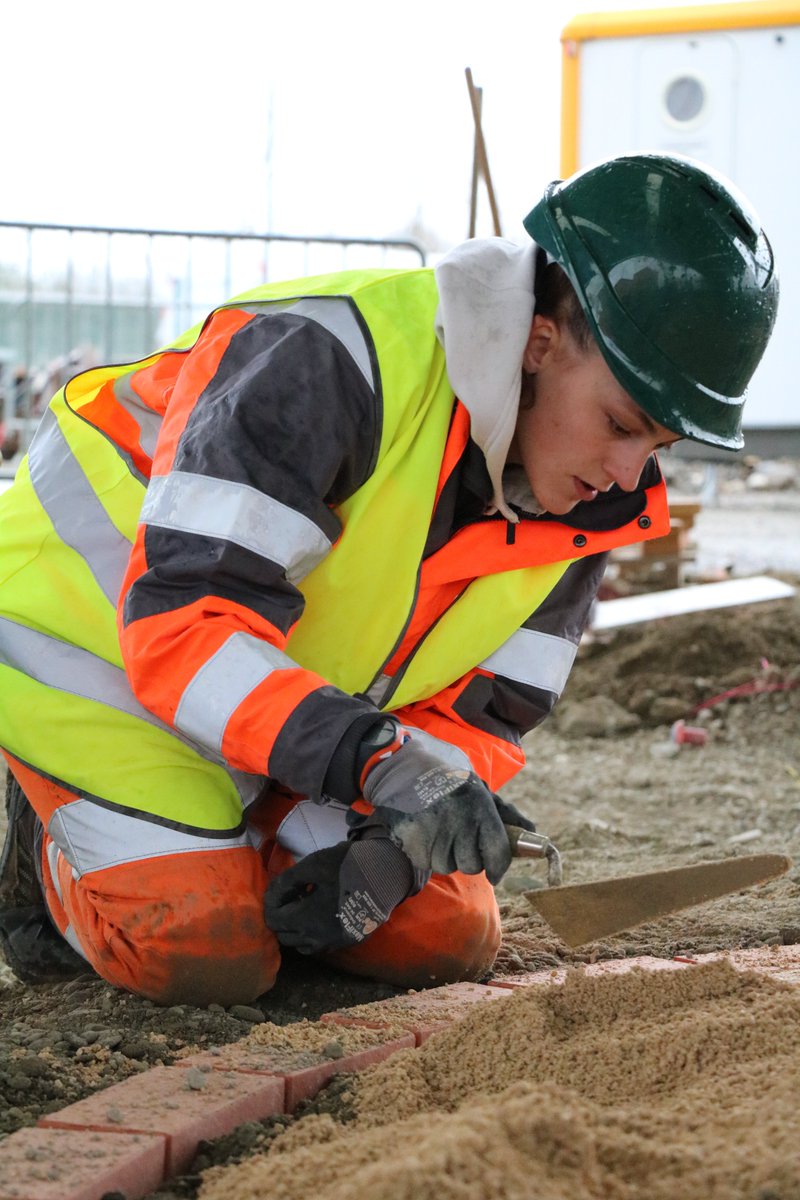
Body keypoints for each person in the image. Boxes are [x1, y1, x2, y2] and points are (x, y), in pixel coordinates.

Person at [0, 153, 778, 1006]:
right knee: (205, 950)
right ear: (539, 342)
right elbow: (185, 626)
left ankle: (226, 839)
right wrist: (377, 761)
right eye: (621, 424)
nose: (631, 477)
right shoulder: (327, 361)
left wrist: (397, 845)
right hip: (91, 649)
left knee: (445, 934)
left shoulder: (584, 503)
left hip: (275, 707)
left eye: (658, 447)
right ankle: (45, 857)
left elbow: (489, 715)